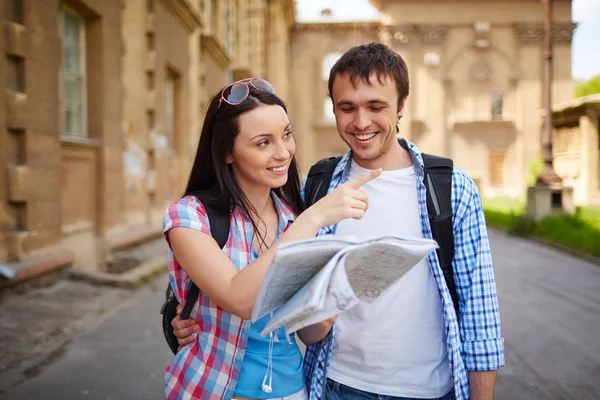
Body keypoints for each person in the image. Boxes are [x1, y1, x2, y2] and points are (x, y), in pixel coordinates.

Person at [172, 43, 504, 400]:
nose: (361, 122)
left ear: (402, 106)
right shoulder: (317, 190)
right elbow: (301, 323)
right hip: (333, 387)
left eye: (376, 106)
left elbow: (480, 318)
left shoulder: (450, 189)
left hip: (429, 389)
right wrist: (184, 316)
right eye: (347, 108)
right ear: (333, 109)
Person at [162, 77, 381, 400]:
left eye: (287, 135)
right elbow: (239, 300)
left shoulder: (292, 218)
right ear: (227, 153)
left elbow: (306, 332)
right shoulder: (188, 216)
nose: (283, 153)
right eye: (263, 143)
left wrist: (333, 298)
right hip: (215, 390)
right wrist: (314, 217)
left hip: (293, 392)